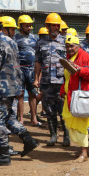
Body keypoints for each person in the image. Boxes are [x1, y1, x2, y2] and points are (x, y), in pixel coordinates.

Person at [0, 12, 38, 166]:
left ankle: (3, 155)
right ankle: (28, 139)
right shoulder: (11, 41)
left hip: (0, 88)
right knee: (8, 117)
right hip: (13, 86)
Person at [34, 12, 69, 146]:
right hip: (46, 82)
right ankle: (53, 136)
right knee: (49, 110)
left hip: (61, 82)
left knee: (63, 110)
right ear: (47, 26)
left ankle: (66, 136)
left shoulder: (65, 41)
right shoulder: (40, 43)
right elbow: (37, 62)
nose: (55, 28)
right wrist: (36, 78)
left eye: (57, 25)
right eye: (52, 25)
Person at [60, 36, 89, 162]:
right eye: (67, 46)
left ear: (78, 46)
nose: (69, 49)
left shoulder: (85, 56)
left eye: (72, 46)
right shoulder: (69, 57)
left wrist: (78, 68)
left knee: (80, 124)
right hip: (70, 95)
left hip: (81, 97)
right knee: (69, 119)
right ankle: (84, 149)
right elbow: (68, 76)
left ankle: (84, 152)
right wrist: (63, 89)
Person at [14, 15, 40, 126]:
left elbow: (39, 55)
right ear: (20, 26)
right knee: (20, 94)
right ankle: (21, 119)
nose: (29, 28)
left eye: (30, 26)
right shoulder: (15, 38)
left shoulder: (35, 38)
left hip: (32, 69)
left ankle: (33, 118)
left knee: (32, 94)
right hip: (19, 69)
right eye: (26, 26)